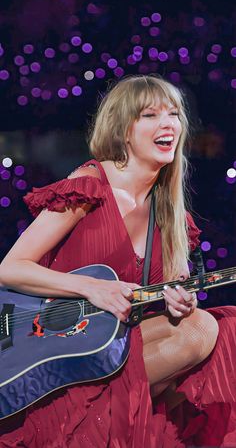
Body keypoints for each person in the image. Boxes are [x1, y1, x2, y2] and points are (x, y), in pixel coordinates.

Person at [0, 74, 235, 448]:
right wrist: (92, 287)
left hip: (117, 353)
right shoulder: (89, 185)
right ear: (124, 130)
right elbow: (10, 268)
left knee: (207, 328)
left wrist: (181, 302)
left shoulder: (173, 216)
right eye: (150, 115)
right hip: (53, 352)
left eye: (173, 114)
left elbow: (177, 299)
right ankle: (79, 415)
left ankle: (106, 415)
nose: (167, 124)